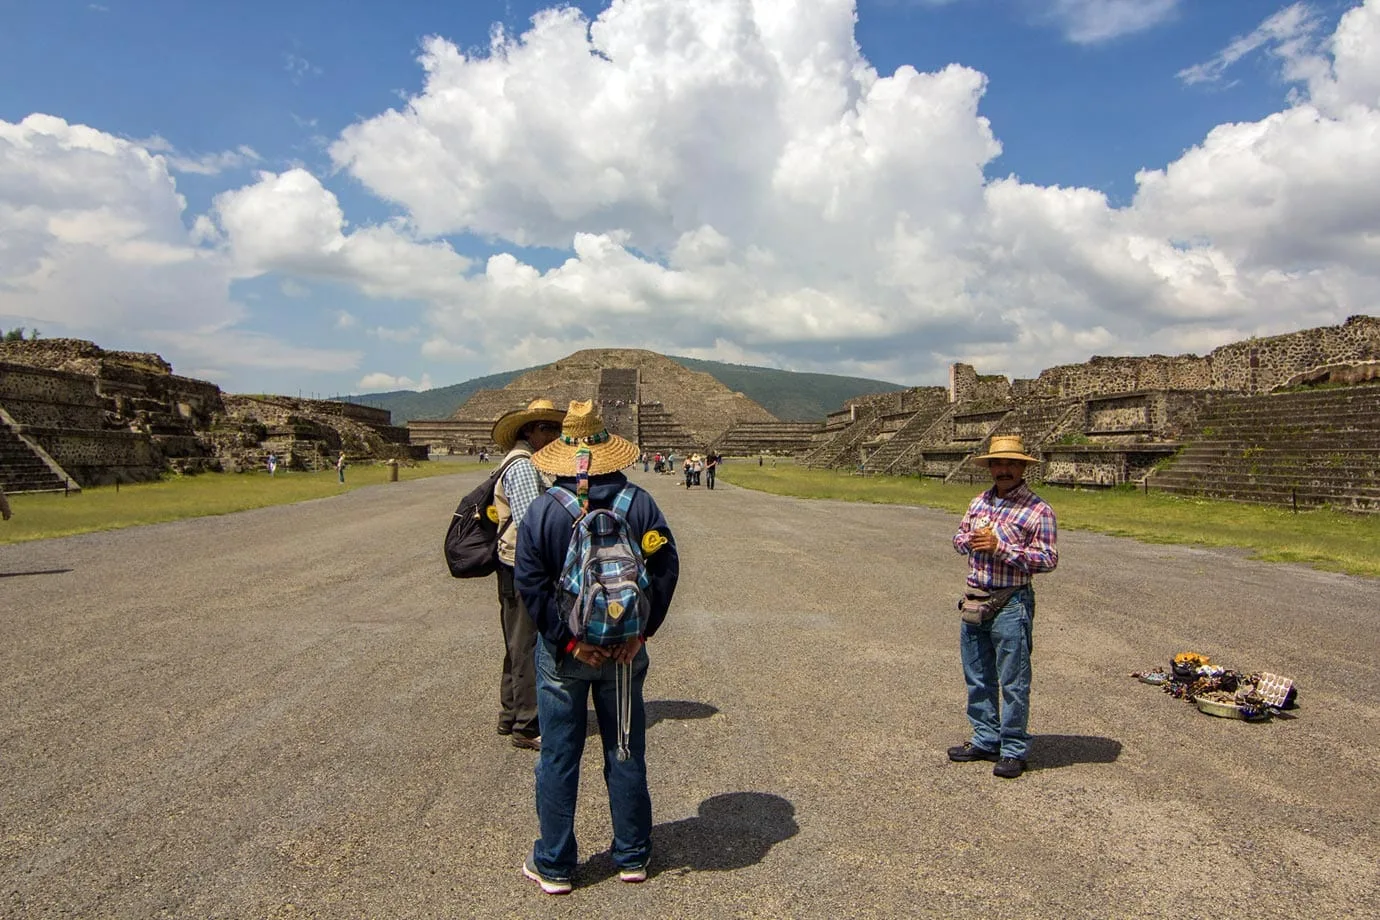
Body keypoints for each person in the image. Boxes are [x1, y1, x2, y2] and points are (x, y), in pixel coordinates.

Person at [514, 399, 679, 894]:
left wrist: (566, 641)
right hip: (625, 654)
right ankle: (632, 854)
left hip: (567, 654)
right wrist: (640, 633)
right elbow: (666, 569)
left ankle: (556, 864)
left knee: (559, 757)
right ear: (608, 448)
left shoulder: (544, 509)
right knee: (624, 750)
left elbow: (530, 582)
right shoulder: (640, 503)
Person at [948, 435, 1058, 780]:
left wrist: (1001, 548)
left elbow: (1048, 559)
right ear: (990, 468)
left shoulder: (1038, 510)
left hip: (1012, 601)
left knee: (1014, 680)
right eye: (998, 464)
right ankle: (985, 737)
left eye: (1011, 464)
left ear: (1023, 467)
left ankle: (1012, 747)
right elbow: (958, 539)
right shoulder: (979, 502)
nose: (1004, 470)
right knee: (978, 676)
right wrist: (970, 540)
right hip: (975, 597)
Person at [489, 398, 568, 751]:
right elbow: (529, 524)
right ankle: (527, 723)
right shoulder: (522, 467)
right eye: (547, 428)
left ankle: (511, 715)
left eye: (557, 427)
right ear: (529, 431)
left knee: (516, 643)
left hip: (514, 564)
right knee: (527, 645)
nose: (555, 434)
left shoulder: (525, 462)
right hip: (523, 566)